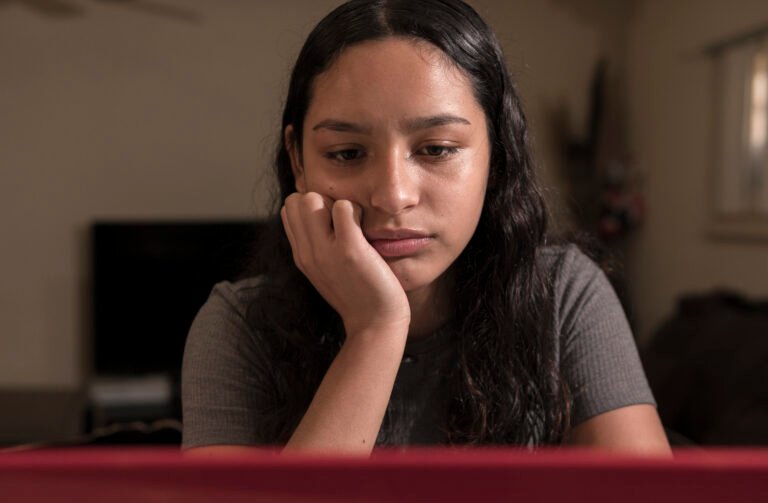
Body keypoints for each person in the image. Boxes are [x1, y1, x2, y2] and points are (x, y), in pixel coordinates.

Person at [181, 0, 671, 456]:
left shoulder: (564, 294)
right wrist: (375, 331)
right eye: (347, 154)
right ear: (298, 160)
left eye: (436, 149)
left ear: (497, 155)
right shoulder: (241, 324)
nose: (393, 195)